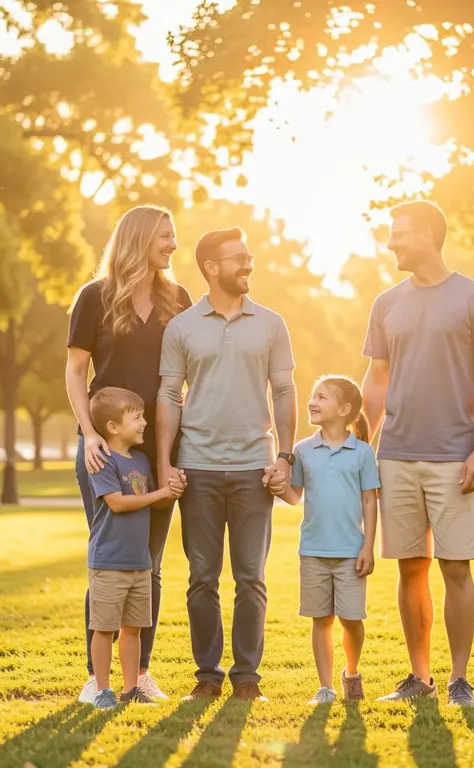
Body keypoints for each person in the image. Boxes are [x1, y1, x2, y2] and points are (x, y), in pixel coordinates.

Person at [362, 200, 474, 707]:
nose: (392, 242)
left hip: (453, 456)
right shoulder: (386, 303)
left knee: (457, 567)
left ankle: (459, 679)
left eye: (400, 234)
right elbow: (377, 379)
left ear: (427, 234)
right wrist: (362, 442)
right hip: (396, 454)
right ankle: (418, 678)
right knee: (410, 567)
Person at [156, 227, 297, 703]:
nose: (248, 264)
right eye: (238, 258)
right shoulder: (182, 327)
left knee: (251, 576)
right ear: (211, 268)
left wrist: (285, 455)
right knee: (201, 577)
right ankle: (207, 676)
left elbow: (283, 391)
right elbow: (168, 395)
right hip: (196, 467)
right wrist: (164, 462)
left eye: (249, 256)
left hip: (254, 467)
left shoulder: (272, 323)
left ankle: (247, 678)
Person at [67, 205, 193, 704]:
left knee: (149, 563)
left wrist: (169, 453)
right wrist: (89, 433)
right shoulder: (93, 297)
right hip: (105, 448)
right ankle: (96, 680)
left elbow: (182, 376)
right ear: (139, 238)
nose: (173, 245)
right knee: (108, 559)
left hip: (161, 445)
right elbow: (76, 371)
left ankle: (139, 676)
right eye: (166, 236)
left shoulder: (177, 299)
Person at [269, 375, 380, 705]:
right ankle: (325, 687)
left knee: (352, 620)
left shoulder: (362, 453)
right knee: (321, 619)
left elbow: (370, 501)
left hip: (351, 552)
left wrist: (368, 546)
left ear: (345, 409)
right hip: (313, 550)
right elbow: (294, 497)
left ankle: (352, 672)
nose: (312, 402)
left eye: (322, 397)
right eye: (312, 395)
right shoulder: (303, 450)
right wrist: (277, 487)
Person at [84, 387, 185, 710]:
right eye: (137, 417)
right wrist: (160, 495)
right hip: (109, 561)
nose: (144, 423)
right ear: (113, 427)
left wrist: (175, 487)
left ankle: (131, 689)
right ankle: (102, 690)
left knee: (133, 629)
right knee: (104, 629)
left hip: (140, 563)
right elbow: (117, 503)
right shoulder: (102, 460)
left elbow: (154, 502)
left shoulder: (140, 460)